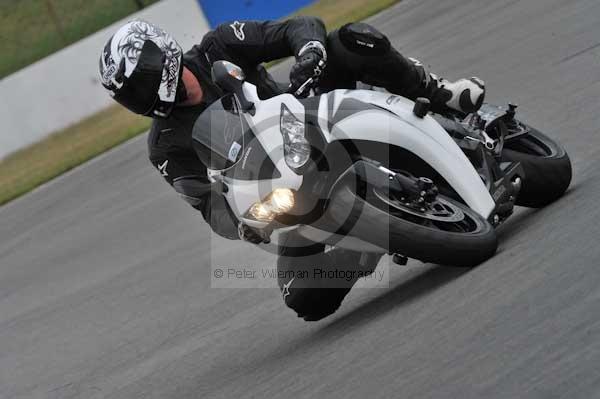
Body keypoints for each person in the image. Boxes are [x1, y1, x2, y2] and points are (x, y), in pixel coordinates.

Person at [99, 17, 485, 321]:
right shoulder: (165, 145)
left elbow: (298, 27)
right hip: (290, 194)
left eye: (138, 83)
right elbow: (206, 206)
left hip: (313, 111)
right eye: (127, 95)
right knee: (304, 298)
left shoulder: (219, 46)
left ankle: (440, 94)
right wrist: (241, 223)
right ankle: (366, 245)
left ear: (160, 56)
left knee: (351, 40)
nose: (138, 98)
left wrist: (309, 53)